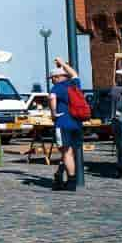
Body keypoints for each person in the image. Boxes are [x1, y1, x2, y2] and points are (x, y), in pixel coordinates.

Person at [48, 58, 83, 191]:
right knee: (71, 152)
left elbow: (52, 99)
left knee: (66, 152)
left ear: (57, 77)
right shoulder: (74, 84)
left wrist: (53, 113)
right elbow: (74, 74)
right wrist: (62, 63)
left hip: (63, 123)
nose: (51, 80)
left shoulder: (56, 88)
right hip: (76, 123)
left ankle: (71, 182)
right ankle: (60, 175)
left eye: (52, 78)